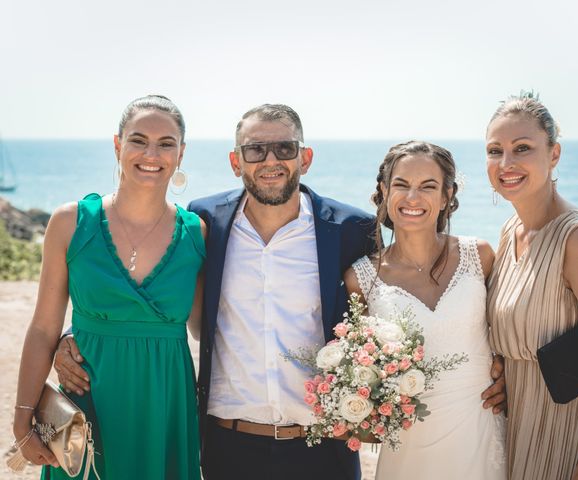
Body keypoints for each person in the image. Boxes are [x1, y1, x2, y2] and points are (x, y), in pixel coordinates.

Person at [55, 104, 507, 480]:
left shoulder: (350, 230)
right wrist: (75, 335)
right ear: (236, 162)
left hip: (323, 446)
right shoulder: (202, 222)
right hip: (228, 445)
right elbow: (148, 288)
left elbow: (393, 310)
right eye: (255, 149)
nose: (270, 160)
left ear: (304, 158)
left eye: (284, 148)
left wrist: (492, 363)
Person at [12, 95, 206, 479]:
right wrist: (22, 417)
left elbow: (207, 329)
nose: (152, 153)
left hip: (165, 406)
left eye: (166, 143)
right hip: (88, 404)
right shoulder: (71, 223)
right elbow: (43, 328)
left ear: (181, 154)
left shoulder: (197, 234)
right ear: (118, 145)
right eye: (138, 140)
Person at [485, 92, 578, 480]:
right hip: (525, 431)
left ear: (554, 155)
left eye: (522, 148)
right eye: (494, 150)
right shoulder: (511, 232)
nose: (506, 164)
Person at [344, 140, 507, 479]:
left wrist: (510, 374)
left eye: (427, 187)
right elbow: (356, 367)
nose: (413, 198)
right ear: (385, 191)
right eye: (401, 185)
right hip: (409, 445)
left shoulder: (481, 256)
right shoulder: (360, 278)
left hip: (481, 427)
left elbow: (511, 329)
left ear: (447, 196)